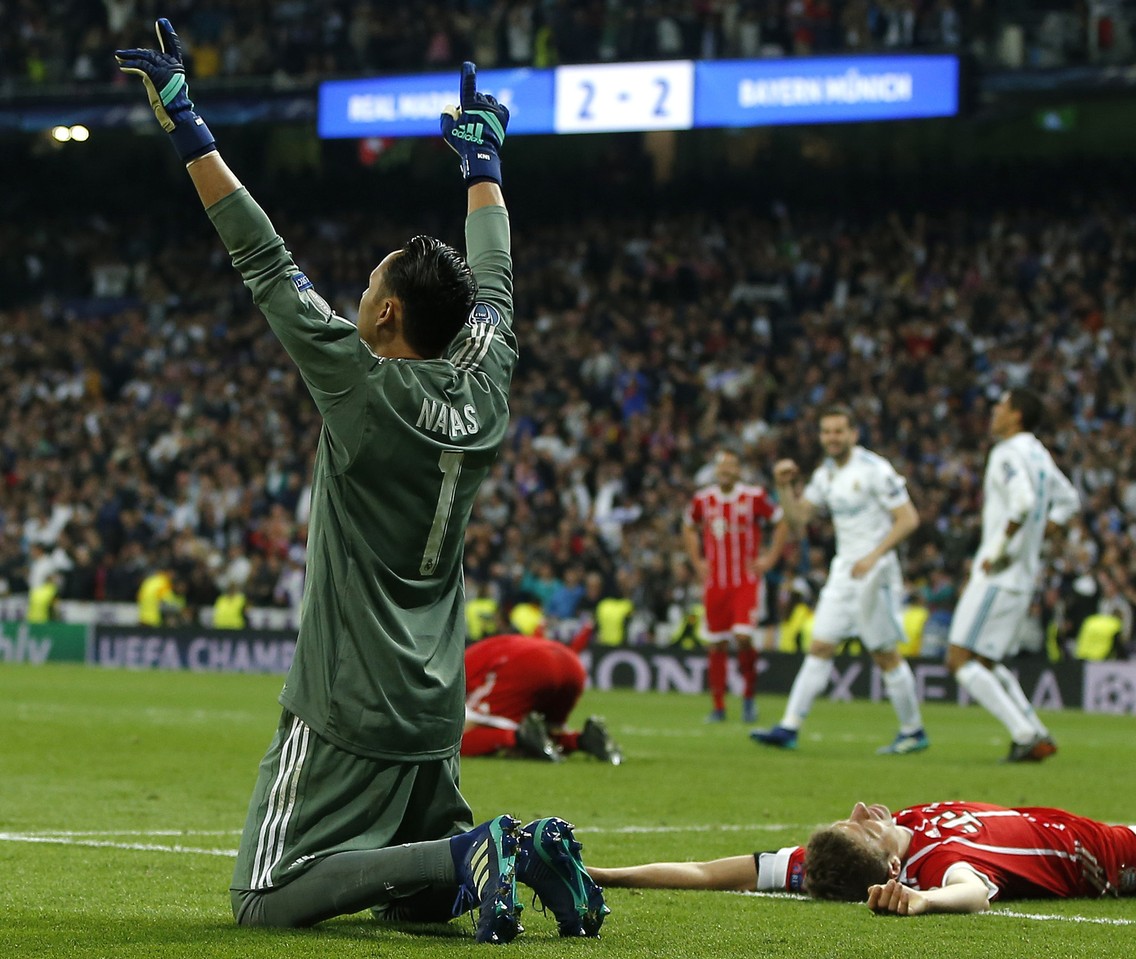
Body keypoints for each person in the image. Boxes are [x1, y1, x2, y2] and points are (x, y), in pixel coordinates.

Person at [116, 26, 604, 941]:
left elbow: (263, 257)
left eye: (367, 284)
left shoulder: (359, 381)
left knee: (263, 899)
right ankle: (509, 848)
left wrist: (186, 121)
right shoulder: (487, 384)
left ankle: (470, 854)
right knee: (414, 906)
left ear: (383, 312)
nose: (355, 294)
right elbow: (494, 280)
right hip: (433, 702)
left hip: (346, 698)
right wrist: (482, 163)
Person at [587, 800, 1136, 912]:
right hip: (1108, 859)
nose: (863, 809)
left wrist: (606, 872)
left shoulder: (830, 856)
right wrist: (922, 903)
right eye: (864, 826)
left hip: (1086, 823)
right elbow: (975, 892)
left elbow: (710, 872)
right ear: (882, 864)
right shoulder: (929, 868)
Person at [751, 407, 927, 754]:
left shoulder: (875, 470)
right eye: (826, 432)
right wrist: (783, 487)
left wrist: (873, 556)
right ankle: (788, 727)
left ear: (853, 434)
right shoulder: (825, 475)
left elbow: (908, 519)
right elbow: (799, 519)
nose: (832, 438)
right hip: (844, 570)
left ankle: (913, 731)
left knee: (884, 653)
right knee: (820, 645)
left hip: (875, 571)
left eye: (838, 431)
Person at [948, 389, 1080, 763]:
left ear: (1017, 415)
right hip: (1023, 575)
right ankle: (1036, 732)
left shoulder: (1007, 453)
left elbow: (1022, 503)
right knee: (987, 662)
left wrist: (998, 550)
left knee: (960, 659)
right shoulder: (1038, 453)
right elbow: (1069, 500)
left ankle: (1023, 734)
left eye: (1002, 406)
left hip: (999, 574)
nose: (994, 411)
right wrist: (1038, 537)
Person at [684, 447, 787, 723]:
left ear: (739, 470)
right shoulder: (703, 500)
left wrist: (769, 558)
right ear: (716, 470)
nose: (726, 471)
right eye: (722, 466)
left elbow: (780, 522)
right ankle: (718, 706)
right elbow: (688, 526)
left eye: (731, 466)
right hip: (715, 583)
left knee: (743, 637)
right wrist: (697, 560)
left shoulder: (753, 497)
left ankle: (749, 698)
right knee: (716, 644)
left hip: (745, 581)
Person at [464, 632, 623, 764]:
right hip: (571, 663)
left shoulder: (458, 667)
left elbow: (465, 724)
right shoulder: (479, 650)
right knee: (548, 731)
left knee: (452, 740)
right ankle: (583, 740)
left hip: (529, 664)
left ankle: (518, 737)